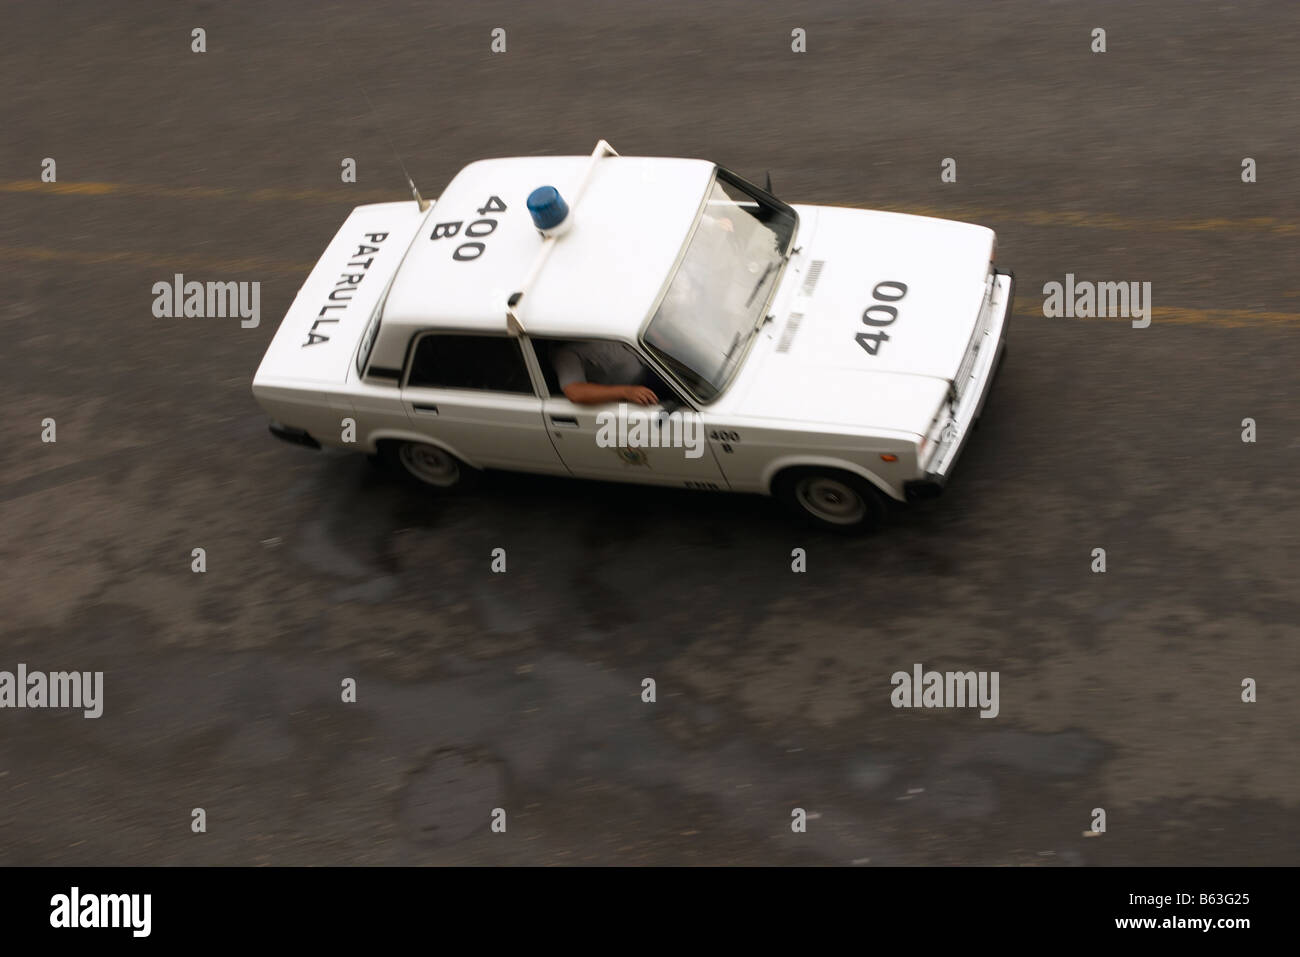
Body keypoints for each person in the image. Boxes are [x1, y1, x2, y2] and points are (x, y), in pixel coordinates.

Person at [552, 340, 658, 406]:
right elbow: (574, 391)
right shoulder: (566, 352)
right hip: (639, 389)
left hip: (654, 365)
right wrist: (626, 392)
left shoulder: (601, 324)